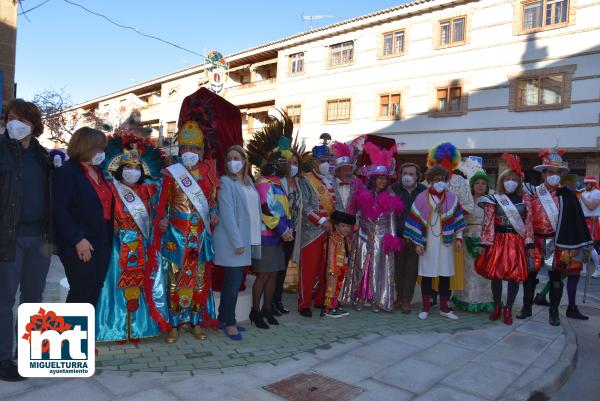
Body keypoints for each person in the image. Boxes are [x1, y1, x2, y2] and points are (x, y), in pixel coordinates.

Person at [95, 134, 169, 343]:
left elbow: (159, 212)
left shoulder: (148, 191)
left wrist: (161, 220)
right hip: (118, 247)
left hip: (142, 244)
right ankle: (117, 329)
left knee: (141, 284)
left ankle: (138, 328)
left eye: (137, 168)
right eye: (128, 167)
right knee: (117, 286)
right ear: (119, 169)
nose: (132, 172)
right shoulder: (110, 188)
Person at [0, 100, 52, 382]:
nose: (12, 123)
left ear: (32, 124)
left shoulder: (44, 157)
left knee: (33, 299)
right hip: (8, 237)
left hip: (40, 239)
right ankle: (3, 358)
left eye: (19, 118)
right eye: (9, 118)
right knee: (4, 300)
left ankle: (29, 352)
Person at [155, 120, 219, 343]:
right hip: (176, 235)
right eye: (185, 148)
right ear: (180, 150)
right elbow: (161, 203)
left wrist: (214, 213)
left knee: (198, 279)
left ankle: (196, 322)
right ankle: (173, 324)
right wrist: (161, 218)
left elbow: (213, 203)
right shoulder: (171, 174)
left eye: (194, 149)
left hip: (199, 236)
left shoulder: (209, 175)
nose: (189, 153)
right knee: (174, 278)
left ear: (201, 152)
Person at [520, 149, 592, 325]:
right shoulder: (532, 193)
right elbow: (527, 220)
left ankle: (554, 313)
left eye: (558, 172)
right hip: (535, 241)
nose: (554, 175)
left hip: (554, 242)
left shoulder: (567, 195)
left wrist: (573, 245)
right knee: (529, 277)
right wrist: (529, 243)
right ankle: (526, 307)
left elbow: (575, 221)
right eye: (551, 172)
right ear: (543, 173)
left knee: (556, 279)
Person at [54, 127, 113, 309]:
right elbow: (59, 210)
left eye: (103, 149)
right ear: (85, 147)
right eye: (98, 148)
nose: (101, 153)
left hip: (102, 240)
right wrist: (77, 239)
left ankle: (84, 333)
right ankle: (70, 335)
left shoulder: (99, 172)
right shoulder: (66, 172)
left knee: (95, 287)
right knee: (82, 290)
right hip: (80, 243)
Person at [341, 142, 404, 312]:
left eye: (385, 179)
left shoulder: (391, 197)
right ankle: (360, 297)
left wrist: (390, 239)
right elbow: (356, 215)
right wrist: (354, 233)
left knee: (379, 269)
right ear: (373, 179)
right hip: (362, 237)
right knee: (362, 267)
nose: (383, 181)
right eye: (380, 178)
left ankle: (377, 300)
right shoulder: (362, 195)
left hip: (381, 239)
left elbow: (391, 221)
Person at [475, 154, 534, 325]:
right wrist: (484, 244)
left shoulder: (526, 200)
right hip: (498, 240)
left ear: (519, 182)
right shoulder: (494, 199)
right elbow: (488, 223)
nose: (510, 182)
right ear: (502, 181)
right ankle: (497, 306)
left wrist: (529, 243)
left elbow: (528, 224)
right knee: (496, 276)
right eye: (507, 179)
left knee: (514, 277)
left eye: (514, 179)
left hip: (517, 241)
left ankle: (508, 308)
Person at [405, 161, 465, 321]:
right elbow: (414, 221)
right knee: (427, 275)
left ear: (447, 181)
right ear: (430, 180)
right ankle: (425, 308)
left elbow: (459, 220)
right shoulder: (421, 198)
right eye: (436, 179)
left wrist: (458, 238)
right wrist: (417, 243)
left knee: (445, 275)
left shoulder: (452, 198)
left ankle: (444, 308)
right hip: (427, 243)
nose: (440, 182)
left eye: (443, 179)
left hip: (446, 243)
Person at [213, 146, 261, 340]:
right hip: (232, 241)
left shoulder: (249, 182)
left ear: (244, 160)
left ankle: (222, 319)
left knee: (231, 281)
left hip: (246, 238)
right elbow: (228, 215)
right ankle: (230, 323)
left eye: (237, 157)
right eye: (230, 158)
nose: (233, 161)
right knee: (233, 282)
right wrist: (237, 242)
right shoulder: (225, 182)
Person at [297, 142, 343, 317]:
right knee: (309, 269)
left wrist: (341, 223)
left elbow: (338, 203)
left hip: (331, 231)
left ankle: (321, 299)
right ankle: (304, 303)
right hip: (312, 232)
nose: (327, 163)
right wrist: (322, 220)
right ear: (315, 162)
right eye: (323, 160)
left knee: (326, 268)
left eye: (329, 160)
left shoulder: (331, 180)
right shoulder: (305, 180)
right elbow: (305, 206)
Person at [251, 151, 294, 328]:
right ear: (275, 164)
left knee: (274, 274)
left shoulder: (277, 183)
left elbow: (285, 209)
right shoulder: (263, 183)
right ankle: (255, 312)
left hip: (279, 236)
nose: (289, 166)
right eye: (285, 162)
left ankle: (267, 309)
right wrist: (283, 230)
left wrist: (289, 227)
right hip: (266, 236)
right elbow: (266, 210)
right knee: (263, 275)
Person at [452, 163, 494, 313]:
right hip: (466, 238)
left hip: (486, 241)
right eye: (477, 183)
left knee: (484, 272)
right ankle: (466, 299)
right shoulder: (465, 202)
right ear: (472, 185)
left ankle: (486, 300)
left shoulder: (491, 202)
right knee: (469, 272)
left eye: (483, 183)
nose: (480, 185)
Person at [391, 162, 427, 313]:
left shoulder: (423, 191)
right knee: (397, 268)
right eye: (405, 173)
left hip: (416, 238)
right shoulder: (394, 189)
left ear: (418, 176)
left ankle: (407, 299)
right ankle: (399, 296)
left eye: (411, 174)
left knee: (412, 269)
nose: (407, 176)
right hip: (397, 236)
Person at [274, 151, 304, 315]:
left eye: (295, 162)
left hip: (294, 232)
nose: (293, 165)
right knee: (276, 268)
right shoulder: (279, 182)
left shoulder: (301, 182)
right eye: (290, 162)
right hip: (280, 231)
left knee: (283, 268)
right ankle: (272, 301)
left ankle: (278, 300)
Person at [324, 210, 355, 318]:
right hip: (334, 269)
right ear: (336, 226)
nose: (346, 229)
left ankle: (336, 305)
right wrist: (332, 269)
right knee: (331, 288)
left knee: (339, 287)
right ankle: (329, 308)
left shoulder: (346, 239)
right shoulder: (333, 238)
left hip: (343, 268)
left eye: (348, 227)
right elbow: (331, 255)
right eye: (343, 226)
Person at [579, 176, 600, 278]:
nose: (584, 186)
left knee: (590, 247)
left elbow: (591, 207)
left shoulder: (597, 193)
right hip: (584, 220)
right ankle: (583, 268)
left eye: (586, 184)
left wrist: (581, 197)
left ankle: (598, 268)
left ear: (591, 184)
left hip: (592, 220)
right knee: (584, 245)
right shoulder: (584, 193)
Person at [331, 141, 357, 210]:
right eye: (345, 170)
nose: (348, 172)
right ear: (337, 172)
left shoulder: (357, 185)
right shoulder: (328, 184)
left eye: (350, 170)